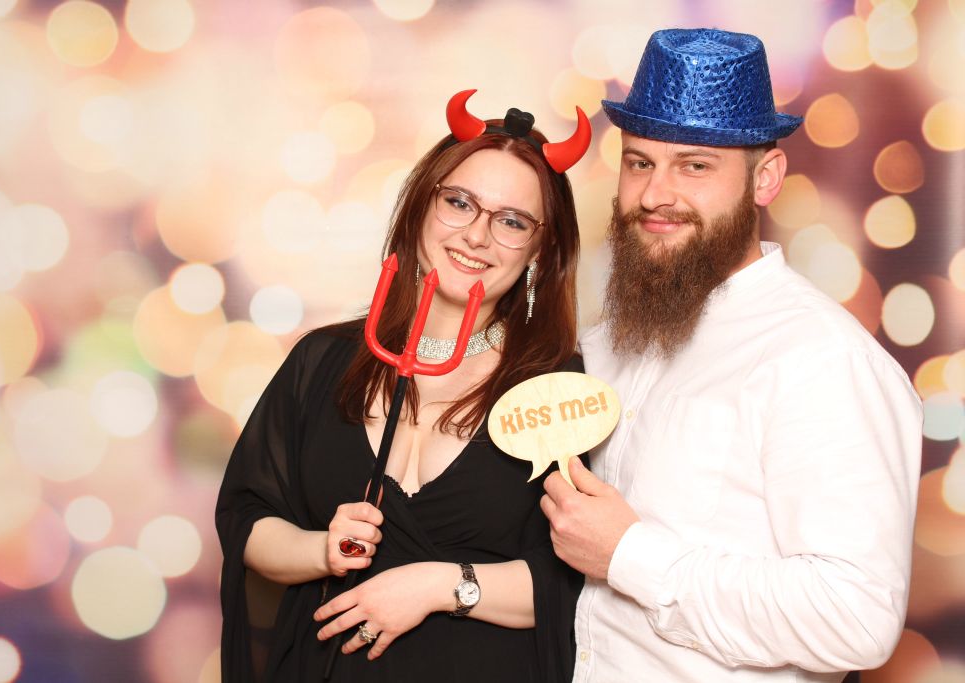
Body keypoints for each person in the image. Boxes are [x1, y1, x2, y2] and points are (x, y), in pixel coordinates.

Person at [540, 28, 923, 682]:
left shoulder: (823, 361)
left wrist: (631, 554)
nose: (655, 194)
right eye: (639, 163)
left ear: (765, 178)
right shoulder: (606, 344)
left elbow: (857, 618)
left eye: (694, 166)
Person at [216, 90, 592, 682]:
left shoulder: (556, 389)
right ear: (421, 207)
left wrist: (439, 586)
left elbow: (573, 583)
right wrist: (322, 549)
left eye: (512, 221)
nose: (477, 235)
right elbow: (246, 518)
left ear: (540, 251)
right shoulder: (323, 360)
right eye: (459, 203)